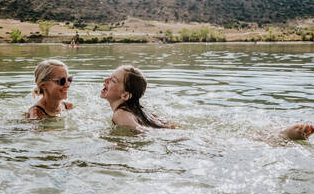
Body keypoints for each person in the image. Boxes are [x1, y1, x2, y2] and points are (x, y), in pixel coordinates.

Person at [100, 65, 314, 140]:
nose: (106, 81)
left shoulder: (120, 114)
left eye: (113, 80)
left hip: (177, 141)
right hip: (180, 135)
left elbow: (141, 133)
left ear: (126, 95)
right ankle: (279, 133)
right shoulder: (140, 109)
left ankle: (282, 135)